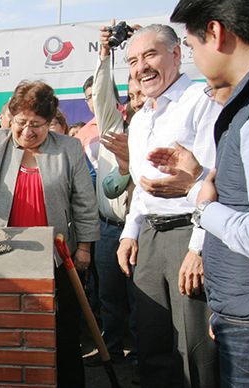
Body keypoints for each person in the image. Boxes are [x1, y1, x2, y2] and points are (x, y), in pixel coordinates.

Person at [0, 81, 99, 388]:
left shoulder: (67, 148)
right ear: (11, 118)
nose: (27, 132)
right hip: (8, 256)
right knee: (14, 329)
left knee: (63, 332)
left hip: (57, 256)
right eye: (21, 123)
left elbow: (85, 203)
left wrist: (85, 249)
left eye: (37, 125)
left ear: (49, 122)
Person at [143, 2, 249, 386]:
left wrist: (199, 198)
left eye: (191, 47)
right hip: (240, 306)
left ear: (215, 32)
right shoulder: (244, 106)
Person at [116, 24, 220, 388]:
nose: (140, 67)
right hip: (149, 240)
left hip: (189, 234)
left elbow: (213, 182)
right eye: (132, 60)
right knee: (152, 341)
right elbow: (141, 187)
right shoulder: (141, 117)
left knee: (193, 348)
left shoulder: (200, 102)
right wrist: (130, 233)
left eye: (149, 55)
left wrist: (199, 248)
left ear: (176, 54)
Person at [88, 23, 144, 366]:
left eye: (141, 93)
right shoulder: (112, 127)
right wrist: (106, 54)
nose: (135, 99)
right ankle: (110, 349)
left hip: (141, 229)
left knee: (142, 298)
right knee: (109, 295)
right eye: (131, 94)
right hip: (108, 228)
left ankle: (141, 355)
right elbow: (102, 92)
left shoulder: (161, 131)